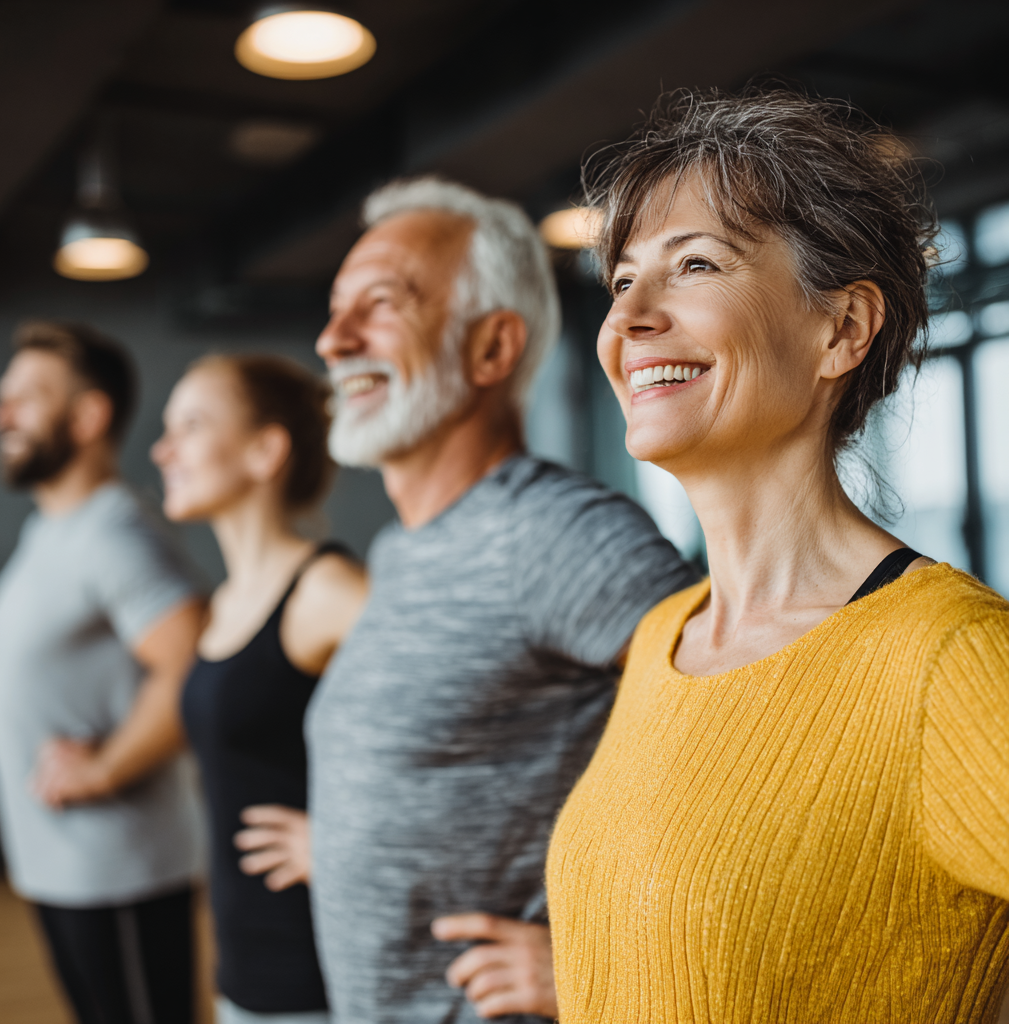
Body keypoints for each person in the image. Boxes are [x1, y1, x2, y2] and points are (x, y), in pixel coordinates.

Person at [545, 87, 1009, 1024]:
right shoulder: (662, 635)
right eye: (623, 280)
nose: (631, 317)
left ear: (841, 329)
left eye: (696, 264)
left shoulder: (951, 663)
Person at [305, 175, 699, 1024]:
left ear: (491, 349)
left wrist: (598, 959)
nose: (334, 341)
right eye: (337, 309)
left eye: (380, 304)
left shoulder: (557, 534)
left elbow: (767, 754)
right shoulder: (401, 546)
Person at [0, 321, 206, 1024]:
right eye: (3, 396)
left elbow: (192, 661)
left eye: (26, 398)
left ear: (88, 416)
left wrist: (105, 768)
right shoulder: (55, 528)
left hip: (121, 873)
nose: (2, 414)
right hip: (59, 865)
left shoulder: (115, 532)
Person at [152, 353, 368, 1024]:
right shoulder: (223, 603)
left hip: (316, 974)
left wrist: (340, 837)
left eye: (190, 425)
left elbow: (461, 732)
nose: (163, 450)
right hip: (241, 964)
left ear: (265, 450)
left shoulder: (327, 593)